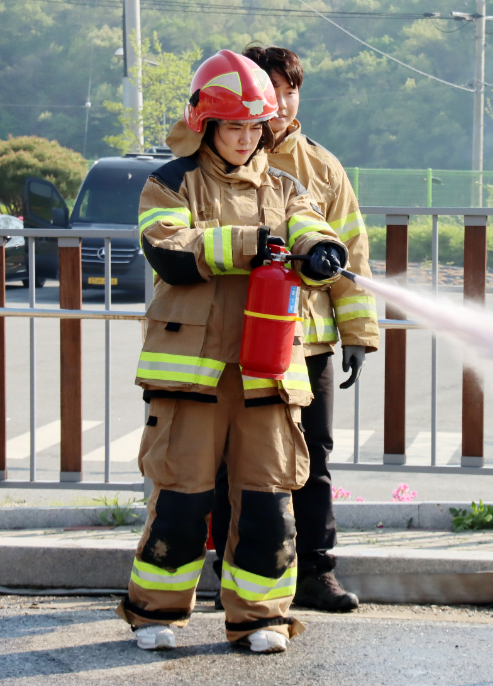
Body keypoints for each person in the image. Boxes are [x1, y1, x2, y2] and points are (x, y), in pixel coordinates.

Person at [116, 49, 350, 653]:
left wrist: (319, 250)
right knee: (182, 497)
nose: (247, 139)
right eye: (234, 127)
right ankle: (155, 613)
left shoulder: (286, 186)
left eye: (255, 126)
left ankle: (260, 618)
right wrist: (253, 243)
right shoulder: (170, 182)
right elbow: (170, 249)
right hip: (192, 375)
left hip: (266, 372)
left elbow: (309, 225)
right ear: (206, 125)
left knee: (269, 501)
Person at [209, 45, 380, 613]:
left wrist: (358, 334)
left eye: (291, 91)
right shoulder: (220, 161)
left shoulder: (323, 168)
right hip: (244, 336)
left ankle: (315, 571)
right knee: (235, 458)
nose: (282, 103)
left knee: (313, 456)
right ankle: (233, 570)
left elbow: (351, 252)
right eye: (271, 90)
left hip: (308, 340)